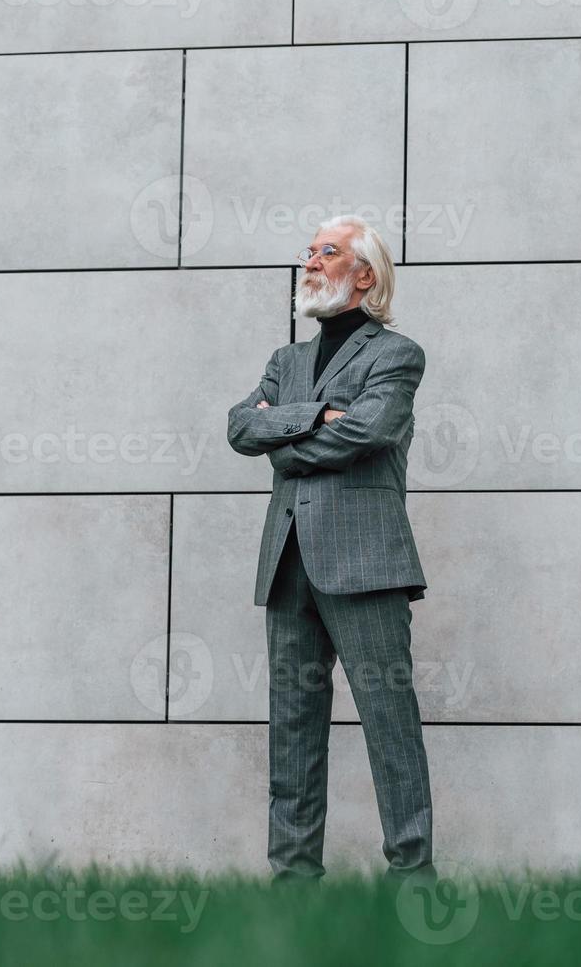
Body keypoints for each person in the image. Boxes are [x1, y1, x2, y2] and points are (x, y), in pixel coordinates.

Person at [225, 214, 434, 888]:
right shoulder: (284, 362)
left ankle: (411, 880)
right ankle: (292, 886)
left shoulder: (395, 355)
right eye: (310, 251)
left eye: (327, 252)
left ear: (364, 275)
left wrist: (281, 435)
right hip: (287, 567)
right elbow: (239, 427)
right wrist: (316, 416)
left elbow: (368, 433)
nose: (309, 261)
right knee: (291, 730)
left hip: (366, 567)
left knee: (389, 725)